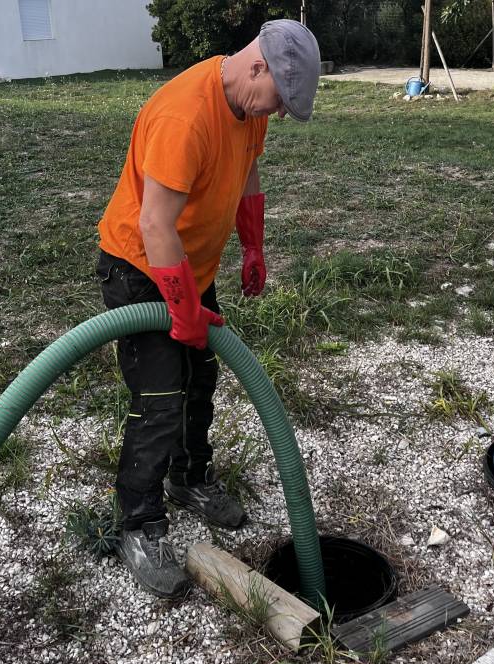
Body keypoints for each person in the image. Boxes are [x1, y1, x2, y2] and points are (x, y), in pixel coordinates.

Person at [95, 20, 320, 598]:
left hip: (189, 266)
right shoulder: (186, 115)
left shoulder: (246, 109)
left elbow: (247, 171)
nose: (274, 115)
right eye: (277, 101)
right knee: (160, 400)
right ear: (259, 67)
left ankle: (189, 479)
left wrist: (252, 244)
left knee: (202, 380)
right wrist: (183, 311)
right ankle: (139, 526)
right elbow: (154, 223)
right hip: (141, 269)